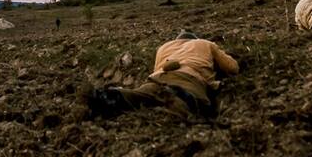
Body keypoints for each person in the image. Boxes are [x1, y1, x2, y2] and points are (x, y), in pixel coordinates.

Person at [85, 32, 239, 120]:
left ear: (177, 40)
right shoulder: (204, 43)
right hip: (188, 78)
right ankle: (177, 100)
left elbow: (156, 68)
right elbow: (232, 68)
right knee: (195, 103)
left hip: (158, 77)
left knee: (141, 95)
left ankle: (114, 95)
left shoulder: (164, 47)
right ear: (194, 38)